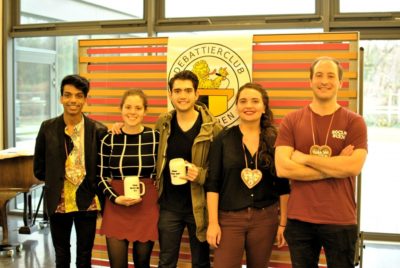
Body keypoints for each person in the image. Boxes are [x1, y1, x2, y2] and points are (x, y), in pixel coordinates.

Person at [274, 56, 368, 268]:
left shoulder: (355, 121)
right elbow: (283, 167)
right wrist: (337, 166)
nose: (324, 81)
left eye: (331, 76)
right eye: (319, 75)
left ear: (340, 83)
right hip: (299, 219)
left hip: (340, 219)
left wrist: (305, 158)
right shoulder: (292, 120)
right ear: (310, 81)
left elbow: (353, 167)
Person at [205, 83, 290, 268]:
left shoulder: (276, 140)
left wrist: (282, 223)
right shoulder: (223, 139)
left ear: (264, 106)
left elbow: (283, 185)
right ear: (236, 106)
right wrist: (213, 223)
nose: (248, 106)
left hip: (265, 219)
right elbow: (213, 184)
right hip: (229, 220)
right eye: (243, 101)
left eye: (254, 101)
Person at [33, 74, 108, 268]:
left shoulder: (98, 130)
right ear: (61, 98)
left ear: (85, 99)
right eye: (67, 95)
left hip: (87, 200)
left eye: (78, 95)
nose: (73, 100)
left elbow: (103, 168)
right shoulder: (47, 128)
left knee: (84, 254)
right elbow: (39, 169)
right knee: (61, 253)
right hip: (58, 201)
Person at [155, 70, 222, 268]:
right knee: (166, 261)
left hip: (199, 207)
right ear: (170, 94)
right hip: (169, 206)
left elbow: (220, 172)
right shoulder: (163, 123)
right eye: (177, 91)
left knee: (201, 262)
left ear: (196, 93)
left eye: (187, 90)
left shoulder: (212, 128)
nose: (182, 96)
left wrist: (200, 174)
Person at [97, 89, 159, 268]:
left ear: (145, 111)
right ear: (121, 109)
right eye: (128, 107)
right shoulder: (109, 139)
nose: (133, 112)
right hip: (116, 204)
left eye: (138, 108)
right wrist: (115, 198)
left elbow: (161, 173)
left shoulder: (155, 138)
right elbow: (100, 176)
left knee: (142, 263)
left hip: (146, 205)